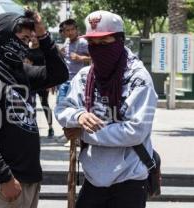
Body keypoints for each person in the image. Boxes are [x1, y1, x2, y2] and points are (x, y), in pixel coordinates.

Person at [55, 10, 158, 208]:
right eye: (92, 44)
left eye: (104, 43)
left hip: (129, 177)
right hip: (94, 178)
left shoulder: (138, 78)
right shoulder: (86, 76)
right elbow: (62, 108)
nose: (97, 49)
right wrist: (78, 115)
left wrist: (83, 133)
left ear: (120, 41)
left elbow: (135, 131)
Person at [0, 11, 68, 208]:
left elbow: (59, 74)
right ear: (3, 37)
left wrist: (43, 35)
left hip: (29, 181)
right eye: (22, 39)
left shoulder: (21, 73)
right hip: (3, 185)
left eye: (30, 40)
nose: (26, 45)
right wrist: (4, 178)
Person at [26, 34, 54, 138]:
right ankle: (33, 128)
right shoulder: (26, 50)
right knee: (30, 105)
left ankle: (50, 128)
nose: (33, 38)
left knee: (44, 104)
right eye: (31, 36)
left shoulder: (43, 50)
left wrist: (50, 83)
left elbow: (49, 66)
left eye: (35, 37)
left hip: (43, 82)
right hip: (31, 82)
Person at [57, 19, 90, 105]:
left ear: (76, 30)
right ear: (64, 32)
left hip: (78, 83)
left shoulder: (83, 42)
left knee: (76, 108)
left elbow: (94, 57)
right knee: (61, 107)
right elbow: (67, 58)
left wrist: (80, 58)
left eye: (72, 29)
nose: (70, 32)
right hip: (65, 81)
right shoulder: (67, 41)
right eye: (67, 30)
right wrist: (60, 52)